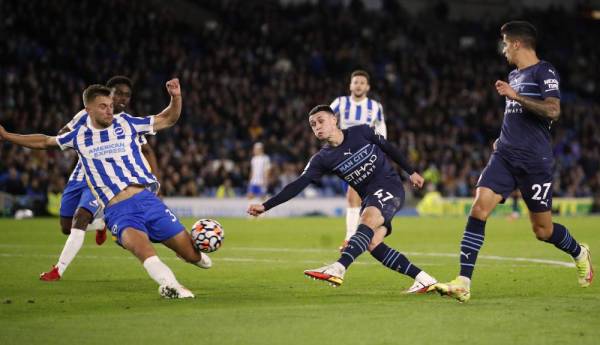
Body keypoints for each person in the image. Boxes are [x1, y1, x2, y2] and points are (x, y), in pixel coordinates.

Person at [1, 80, 211, 299]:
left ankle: (196, 258)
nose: (110, 109)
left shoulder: (127, 123)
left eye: (110, 105)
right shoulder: (78, 136)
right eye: (103, 106)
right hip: (119, 211)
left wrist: (175, 97)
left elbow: (168, 118)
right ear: (88, 109)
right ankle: (172, 286)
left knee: (195, 257)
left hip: (148, 201)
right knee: (143, 250)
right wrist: (7, 136)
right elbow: (45, 141)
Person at [433, 21, 594, 302]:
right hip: (505, 155)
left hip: (535, 161)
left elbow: (553, 110)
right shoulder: (513, 75)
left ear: (518, 43)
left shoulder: (545, 71)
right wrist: (502, 138)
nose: (504, 48)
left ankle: (579, 252)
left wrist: (515, 95)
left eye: (506, 43)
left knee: (542, 231)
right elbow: (516, 116)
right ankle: (463, 281)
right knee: (479, 209)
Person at [247, 105, 437, 293]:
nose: (317, 127)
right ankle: (424, 279)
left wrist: (411, 172)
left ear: (334, 119)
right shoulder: (322, 159)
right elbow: (298, 184)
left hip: (390, 186)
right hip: (369, 198)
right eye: (313, 125)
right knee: (373, 244)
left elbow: (389, 148)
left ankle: (338, 268)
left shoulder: (361, 131)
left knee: (367, 220)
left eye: (321, 121)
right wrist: (266, 206)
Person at [39, 76, 162, 282]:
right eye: (118, 93)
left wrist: (154, 177)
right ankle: (100, 225)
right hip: (80, 174)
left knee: (80, 218)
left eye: (127, 95)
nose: (122, 98)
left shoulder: (126, 123)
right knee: (66, 227)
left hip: (105, 180)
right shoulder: (85, 115)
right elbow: (62, 136)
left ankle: (58, 270)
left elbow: (146, 148)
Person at [330, 70, 387, 251]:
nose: (359, 85)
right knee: (355, 198)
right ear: (350, 85)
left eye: (362, 82)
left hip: (368, 155)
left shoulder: (375, 106)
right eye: (356, 82)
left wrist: (381, 149)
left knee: (354, 197)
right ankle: (360, 235)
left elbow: (381, 128)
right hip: (345, 155)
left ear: (367, 87)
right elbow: (327, 118)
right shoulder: (340, 102)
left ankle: (351, 239)